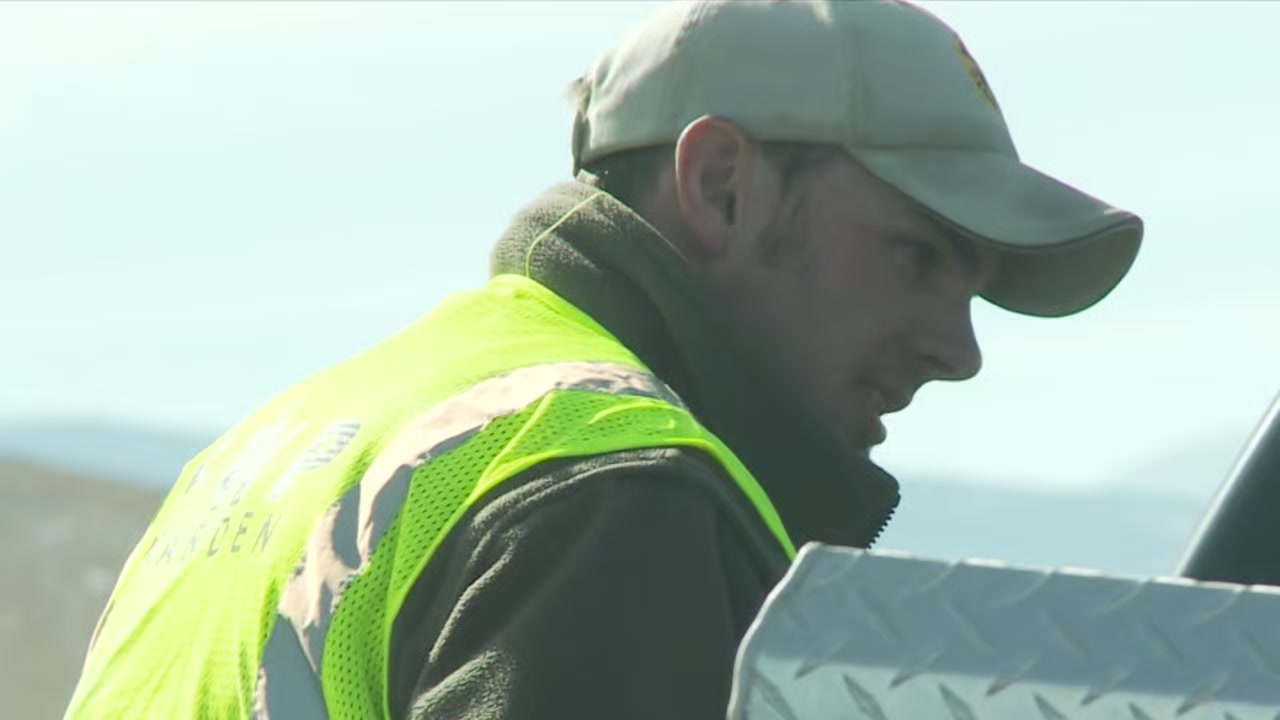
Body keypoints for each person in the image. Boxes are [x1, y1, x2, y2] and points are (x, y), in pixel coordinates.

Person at [63, 1, 1143, 718]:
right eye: (918, 257)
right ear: (720, 186)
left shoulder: (268, 449)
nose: (958, 352)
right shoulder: (614, 488)